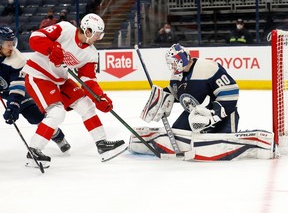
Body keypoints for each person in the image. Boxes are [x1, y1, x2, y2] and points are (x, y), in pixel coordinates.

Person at [129, 44, 274, 160]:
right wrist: (162, 99)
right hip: (194, 115)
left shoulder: (207, 68)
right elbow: (175, 92)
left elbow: (230, 91)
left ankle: (253, 139)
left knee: (221, 141)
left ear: (182, 59)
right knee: (177, 135)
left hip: (222, 114)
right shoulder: (176, 75)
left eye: (174, 63)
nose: (172, 67)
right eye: (170, 64)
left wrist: (213, 115)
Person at [22, 13, 126, 167]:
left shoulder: (91, 53)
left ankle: (102, 143)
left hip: (60, 80)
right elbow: (35, 37)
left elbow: (88, 80)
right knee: (57, 113)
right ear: (88, 31)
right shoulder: (65, 29)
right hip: (38, 75)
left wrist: (100, 97)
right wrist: (51, 48)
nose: (99, 38)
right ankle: (34, 150)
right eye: (98, 34)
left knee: (87, 105)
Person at [0, 26, 71, 161]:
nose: (11, 47)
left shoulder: (17, 60)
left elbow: (17, 88)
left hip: (18, 90)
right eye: (8, 44)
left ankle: (58, 136)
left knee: (34, 116)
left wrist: (13, 106)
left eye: (12, 43)